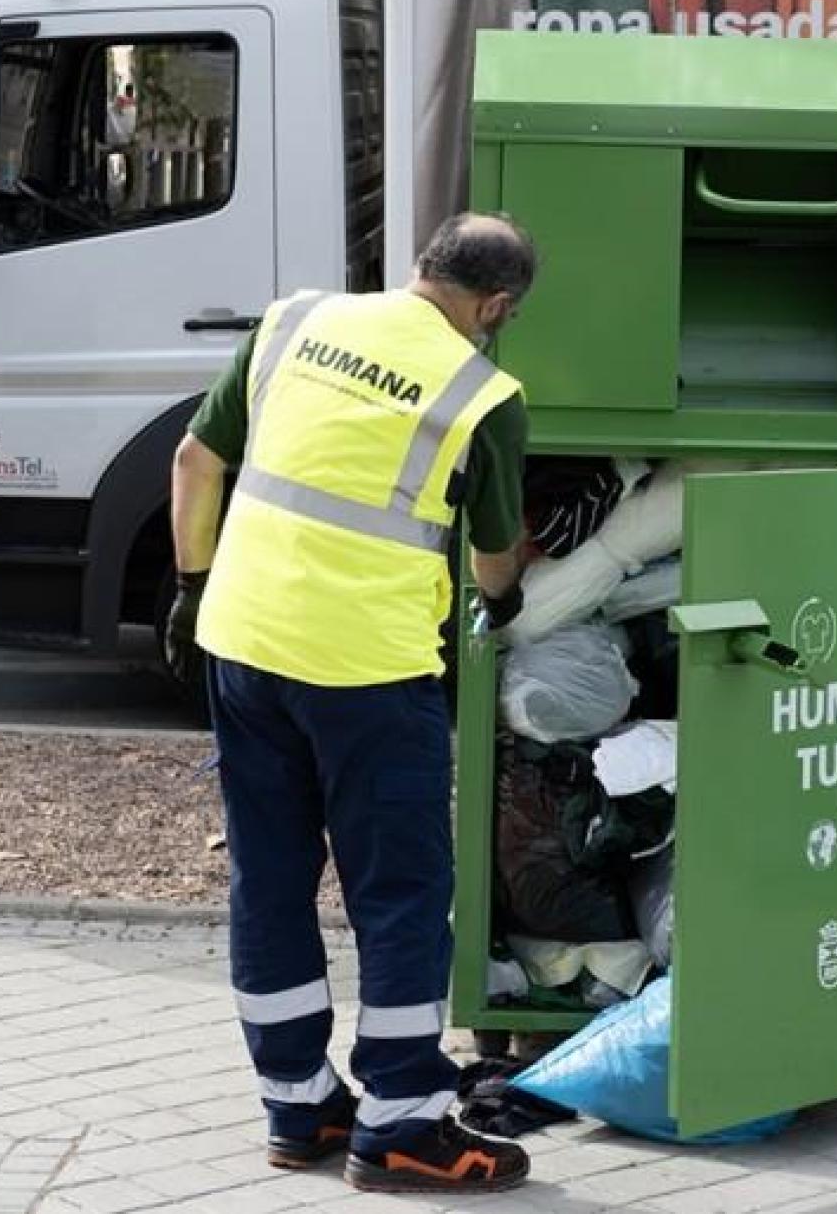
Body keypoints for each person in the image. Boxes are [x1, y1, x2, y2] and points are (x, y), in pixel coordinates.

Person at [168, 212, 536, 1192]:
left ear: (419, 267)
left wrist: (190, 586)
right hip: (367, 672)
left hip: (243, 648)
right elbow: (495, 555)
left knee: (270, 879)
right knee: (403, 893)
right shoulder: (483, 393)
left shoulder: (295, 320)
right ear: (494, 306)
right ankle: (405, 1121)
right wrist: (504, 603)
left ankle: (298, 1106)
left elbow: (195, 462)